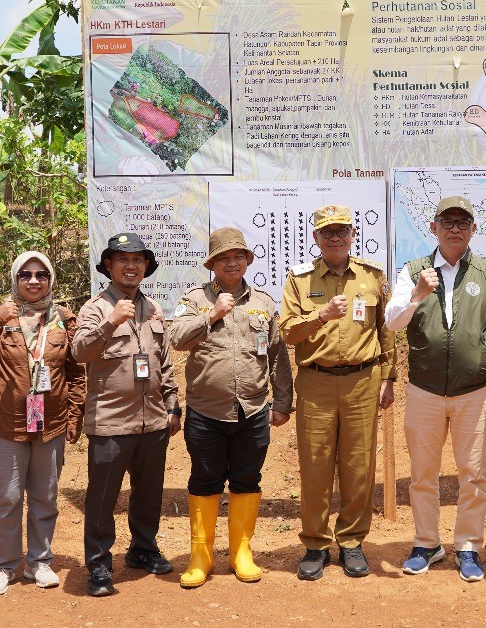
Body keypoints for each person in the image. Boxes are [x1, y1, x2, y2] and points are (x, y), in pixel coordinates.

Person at [383, 196, 486, 583]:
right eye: (448, 222)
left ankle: (468, 547)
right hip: (424, 389)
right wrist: (415, 295)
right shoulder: (412, 272)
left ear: (474, 229)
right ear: (433, 228)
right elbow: (392, 324)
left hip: (475, 390)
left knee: (473, 473)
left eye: (463, 222)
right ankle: (426, 542)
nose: (455, 228)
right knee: (423, 473)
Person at [168, 227, 293, 588]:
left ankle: (241, 551)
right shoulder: (193, 300)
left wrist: (283, 402)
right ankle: (200, 556)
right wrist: (211, 315)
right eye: (223, 257)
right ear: (213, 264)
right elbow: (175, 338)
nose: (232, 262)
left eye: (238, 256)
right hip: (206, 411)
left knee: (246, 479)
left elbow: (277, 356)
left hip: (252, 410)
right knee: (205, 480)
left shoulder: (264, 303)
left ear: (247, 261)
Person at [278, 204, 396, 580]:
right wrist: (320, 315)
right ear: (315, 238)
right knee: (315, 466)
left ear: (352, 235)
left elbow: (387, 330)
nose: (335, 238)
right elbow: (288, 332)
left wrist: (389, 378)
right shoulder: (299, 279)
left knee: (359, 465)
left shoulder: (373, 277)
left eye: (341, 231)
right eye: (327, 232)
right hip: (316, 381)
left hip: (364, 380)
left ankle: (351, 542)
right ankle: (315, 544)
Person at [0, 252, 86, 597]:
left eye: (41, 274)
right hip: (5, 424)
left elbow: (76, 373)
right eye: (26, 275)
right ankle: (2, 566)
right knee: (6, 498)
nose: (33, 281)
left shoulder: (64, 319)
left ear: (51, 279)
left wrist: (75, 414)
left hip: (52, 424)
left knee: (45, 496)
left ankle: (39, 561)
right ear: (15, 278)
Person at [72, 233, 180, 597]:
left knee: (149, 493)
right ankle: (100, 565)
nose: (131, 265)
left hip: (152, 420)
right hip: (111, 421)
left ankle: (143, 550)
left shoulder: (154, 309)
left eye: (137, 260)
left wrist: (172, 404)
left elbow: (164, 361)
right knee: (103, 497)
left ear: (146, 267)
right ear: (108, 266)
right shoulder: (95, 308)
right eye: (122, 259)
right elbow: (80, 353)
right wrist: (111, 322)